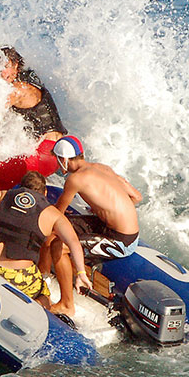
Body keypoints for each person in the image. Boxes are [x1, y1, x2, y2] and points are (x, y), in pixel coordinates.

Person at [0, 46, 68, 237]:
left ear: (16, 66)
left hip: (46, 152)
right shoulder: (18, 83)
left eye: (5, 66)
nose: (0, 71)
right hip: (41, 150)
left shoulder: (17, 89)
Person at [0, 171, 92, 313]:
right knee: (43, 293)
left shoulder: (4, 195)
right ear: (45, 193)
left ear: (21, 187)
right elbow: (73, 242)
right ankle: (30, 311)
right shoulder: (53, 214)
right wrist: (81, 273)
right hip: (17, 276)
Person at [42, 135, 143, 316]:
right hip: (112, 227)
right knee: (56, 234)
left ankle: (66, 304)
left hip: (120, 240)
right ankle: (43, 277)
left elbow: (56, 215)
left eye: (58, 160)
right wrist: (105, 208)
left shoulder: (75, 180)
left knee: (58, 244)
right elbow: (136, 197)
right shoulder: (101, 168)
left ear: (64, 159)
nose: (57, 166)